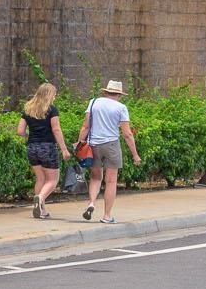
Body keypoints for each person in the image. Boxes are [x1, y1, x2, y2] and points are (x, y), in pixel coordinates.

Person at [78, 78, 140, 224]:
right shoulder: (121, 108)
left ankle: (91, 203)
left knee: (95, 177)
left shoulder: (93, 102)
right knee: (111, 181)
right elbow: (127, 134)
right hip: (111, 145)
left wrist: (80, 142)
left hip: (93, 145)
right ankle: (107, 215)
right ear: (119, 94)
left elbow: (86, 126)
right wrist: (135, 155)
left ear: (106, 92)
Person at [16, 83, 70, 219]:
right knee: (53, 180)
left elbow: (20, 131)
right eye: (54, 94)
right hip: (47, 147)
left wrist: (31, 136)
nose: (55, 97)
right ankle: (39, 199)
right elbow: (56, 129)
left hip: (32, 147)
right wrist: (64, 149)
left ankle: (41, 210)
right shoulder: (52, 110)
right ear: (49, 95)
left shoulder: (28, 109)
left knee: (40, 178)